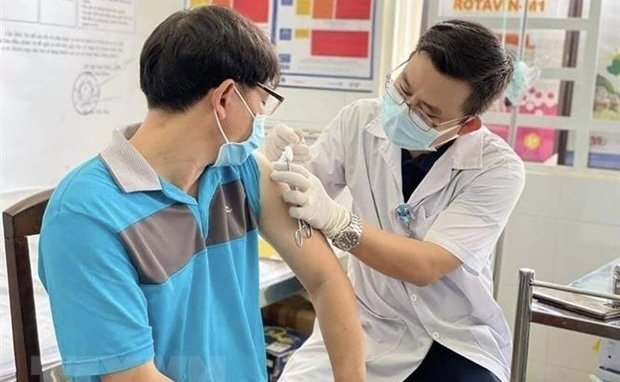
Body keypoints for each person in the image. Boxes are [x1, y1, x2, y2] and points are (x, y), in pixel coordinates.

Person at [38, 6, 365, 382]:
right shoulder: (86, 215)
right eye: (262, 101)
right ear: (225, 98)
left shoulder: (240, 170)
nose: (263, 116)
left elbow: (326, 279)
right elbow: (133, 377)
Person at [264, 19, 525, 382]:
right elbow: (296, 201)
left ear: (467, 125)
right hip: (365, 321)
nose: (405, 109)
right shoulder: (358, 121)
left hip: (452, 337)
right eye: (404, 89)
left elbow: (425, 266)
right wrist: (279, 165)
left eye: (428, 113)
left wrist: (340, 222)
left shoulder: (497, 170)